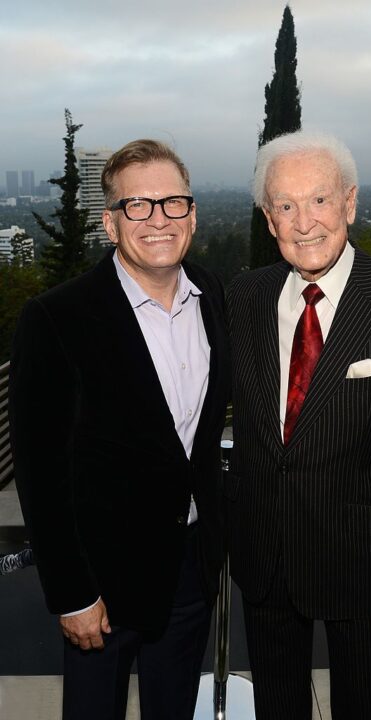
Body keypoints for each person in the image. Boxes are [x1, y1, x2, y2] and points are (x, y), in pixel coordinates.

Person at [225, 130, 371, 720]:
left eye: (320, 200)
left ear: (350, 203)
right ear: (268, 218)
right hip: (266, 555)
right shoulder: (243, 298)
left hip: (363, 562)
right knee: (277, 704)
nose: (305, 222)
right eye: (286, 205)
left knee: (366, 704)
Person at [9, 139, 229, 720]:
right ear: (110, 223)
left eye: (172, 203)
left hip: (190, 572)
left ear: (193, 214)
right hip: (101, 583)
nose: (158, 219)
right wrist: (73, 593)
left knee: (174, 709)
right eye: (138, 206)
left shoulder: (214, 298)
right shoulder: (57, 318)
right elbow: (40, 472)